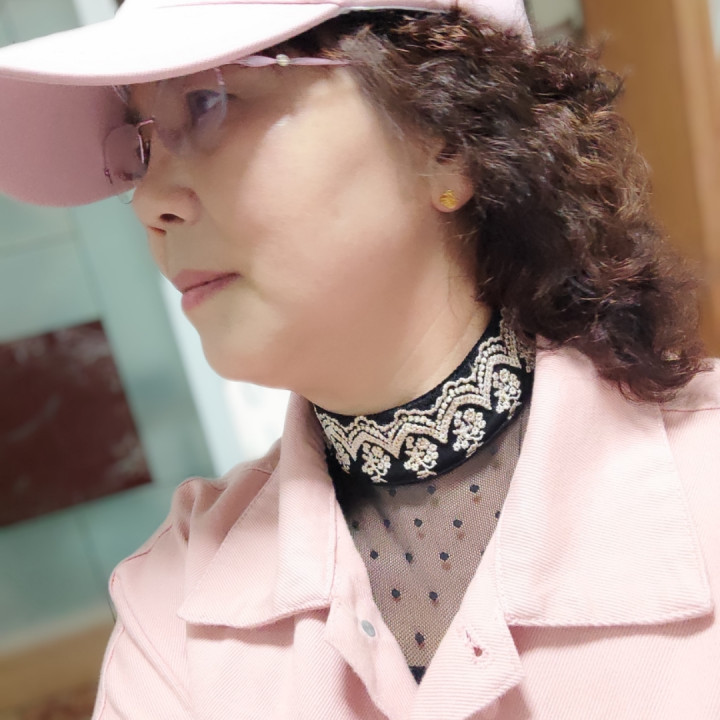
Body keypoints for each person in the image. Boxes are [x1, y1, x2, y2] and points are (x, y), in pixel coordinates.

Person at [0, 0, 718, 717]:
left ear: (446, 138)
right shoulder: (174, 605)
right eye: (140, 147)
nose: (148, 200)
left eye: (208, 102)